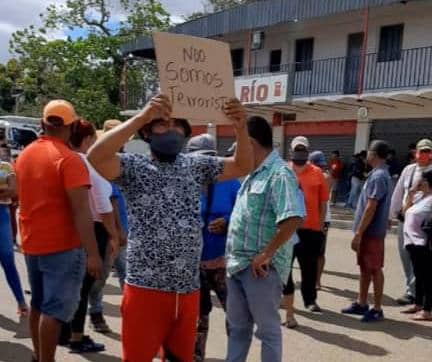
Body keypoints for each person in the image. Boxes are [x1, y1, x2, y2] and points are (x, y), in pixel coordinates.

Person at [87, 94, 253, 362]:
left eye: (178, 125)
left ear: (187, 133)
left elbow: (243, 164)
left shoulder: (196, 165)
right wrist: (141, 116)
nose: (172, 130)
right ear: (147, 132)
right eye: (162, 124)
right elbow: (96, 156)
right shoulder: (134, 167)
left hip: (187, 291)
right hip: (145, 290)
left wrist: (240, 127)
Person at [15, 100, 103, 362]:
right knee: (53, 310)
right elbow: (81, 211)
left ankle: (38, 355)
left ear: (42, 123)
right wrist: (93, 254)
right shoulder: (69, 160)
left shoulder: (25, 154)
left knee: (39, 305)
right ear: (73, 125)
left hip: (32, 243)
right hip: (63, 246)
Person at [225, 116, 304, 362]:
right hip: (237, 265)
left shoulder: (280, 174)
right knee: (238, 329)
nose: (235, 153)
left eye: (238, 146)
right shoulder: (252, 174)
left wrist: (267, 254)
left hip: (261, 270)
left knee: (267, 331)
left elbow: (292, 218)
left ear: (250, 143)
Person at [63, 119, 119, 353]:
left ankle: (66, 332)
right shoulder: (84, 163)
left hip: (69, 229)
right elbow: (102, 204)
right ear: (87, 140)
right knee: (84, 286)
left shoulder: (64, 159)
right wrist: (114, 235)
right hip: (93, 229)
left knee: (73, 285)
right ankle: (76, 336)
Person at [185, 133, 241, 362]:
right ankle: (196, 356)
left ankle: (236, 356)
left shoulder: (230, 182)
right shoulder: (182, 182)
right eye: (198, 160)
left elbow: (243, 214)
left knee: (236, 316)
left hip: (223, 262)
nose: (203, 165)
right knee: (198, 316)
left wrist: (227, 222)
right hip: (191, 264)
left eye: (208, 159)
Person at [342, 140, 392, 322]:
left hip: (371, 233)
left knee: (374, 269)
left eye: (369, 152)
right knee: (365, 268)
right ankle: (361, 303)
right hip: (369, 232)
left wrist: (359, 233)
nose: (366, 155)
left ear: (374, 154)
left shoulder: (379, 176)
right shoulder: (377, 174)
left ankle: (377, 308)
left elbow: (371, 206)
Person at [282, 137, 329, 328]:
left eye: (303, 149)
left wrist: (320, 225)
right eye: (297, 149)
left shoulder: (317, 173)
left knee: (308, 268)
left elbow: (323, 202)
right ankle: (286, 299)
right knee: (285, 267)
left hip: (311, 229)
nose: (300, 152)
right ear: (292, 151)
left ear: (308, 151)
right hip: (287, 228)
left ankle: (310, 300)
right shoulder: (283, 171)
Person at [88, 119, 128, 334]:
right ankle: (95, 312)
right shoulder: (100, 165)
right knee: (101, 276)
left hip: (125, 230)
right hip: (108, 230)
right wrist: (117, 231)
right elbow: (108, 201)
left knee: (127, 274)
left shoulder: (126, 163)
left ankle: (131, 312)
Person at [390, 139, 432, 305]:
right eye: (421, 151)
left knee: (422, 259)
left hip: (425, 222)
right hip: (405, 218)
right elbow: (399, 192)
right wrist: (391, 215)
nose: (423, 154)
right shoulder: (409, 170)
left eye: (427, 151)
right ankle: (412, 290)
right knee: (405, 255)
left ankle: (418, 296)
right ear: (415, 153)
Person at [401, 166, 432, 321]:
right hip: (412, 243)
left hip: (424, 244)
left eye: (423, 180)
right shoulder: (420, 198)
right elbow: (404, 212)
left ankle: (428, 310)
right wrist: (411, 193)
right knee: (419, 275)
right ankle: (418, 304)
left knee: (427, 277)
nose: (420, 181)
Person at [0, 150, 27, 315]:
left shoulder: (5, 166)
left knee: (8, 259)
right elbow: (8, 190)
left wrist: (6, 191)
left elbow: (14, 190)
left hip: (2, 215)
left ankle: (21, 302)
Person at [309, 151, 333, 290]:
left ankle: (316, 281)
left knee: (318, 252)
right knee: (316, 253)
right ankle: (315, 280)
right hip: (313, 219)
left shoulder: (324, 176)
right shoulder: (324, 175)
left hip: (321, 219)